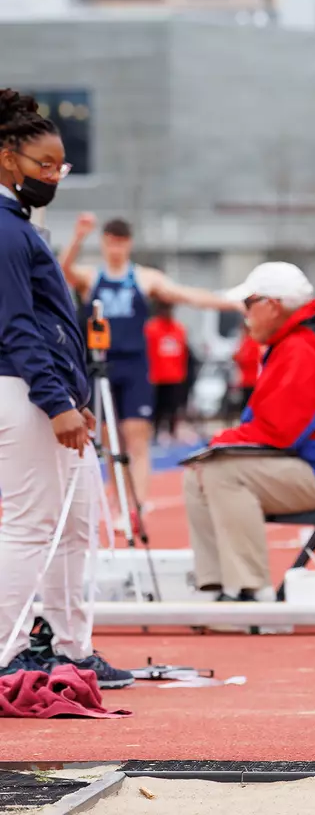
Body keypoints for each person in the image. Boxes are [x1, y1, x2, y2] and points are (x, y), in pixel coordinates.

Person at [0, 90, 131, 688]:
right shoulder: (5, 231)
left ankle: (71, 652)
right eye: (43, 165)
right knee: (30, 527)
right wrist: (57, 403)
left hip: (49, 395)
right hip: (24, 393)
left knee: (76, 525)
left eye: (61, 166)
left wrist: (73, 401)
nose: (53, 176)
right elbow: (17, 324)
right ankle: (7, 652)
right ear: (7, 157)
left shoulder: (20, 227)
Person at [183, 262, 315, 602]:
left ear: (272, 305)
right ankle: (213, 586)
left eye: (247, 305)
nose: (244, 316)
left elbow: (280, 432)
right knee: (200, 471)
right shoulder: (304, 339)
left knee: (220, 472)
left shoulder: (302, 348)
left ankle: (250, 589)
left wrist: (220, 443)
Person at [58, 214, 241, 513]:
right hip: (101, 365)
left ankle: (138, 504)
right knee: (109, 440)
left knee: (137, 436)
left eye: (121, 243)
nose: (115, 249)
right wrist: (78, 236)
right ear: (104, 244)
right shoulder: (92, 278)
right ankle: (117, 502)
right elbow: (62, 271)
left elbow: (188, 295)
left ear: (128, 244)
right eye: (110, 243)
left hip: (134, 366)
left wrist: (232, 303)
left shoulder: (144, 278)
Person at [145, 300, 191, 443]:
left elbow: (183, 352)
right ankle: (156, 431)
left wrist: (182, 372)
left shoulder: (179, 328)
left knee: (173, 407)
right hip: (157, 375)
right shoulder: (151, 328)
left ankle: (172, 431)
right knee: (157, 407)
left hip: (175, 375)